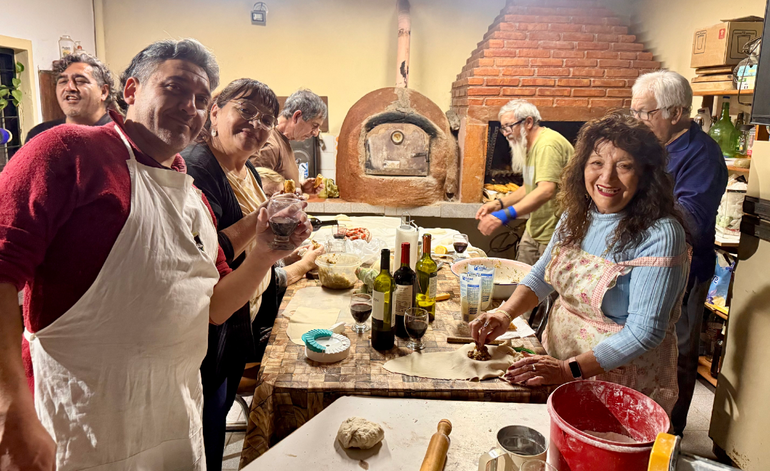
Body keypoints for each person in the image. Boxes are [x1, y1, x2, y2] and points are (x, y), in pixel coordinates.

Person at [0, 39, 310, 471]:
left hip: (173, 421)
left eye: (201, 99)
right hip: (79, 423)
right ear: (131, 90)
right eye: (175, 88)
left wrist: (266, 252)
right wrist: (9, 407)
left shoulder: (191, 194)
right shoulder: (69, 151)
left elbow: (216, 306)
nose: (190, 106)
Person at [471, 113, 689, 415]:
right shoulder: (578, 215)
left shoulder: (660, 234)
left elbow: (644, 333)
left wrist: (567, 370)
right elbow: (542, 276)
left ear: (646, 174)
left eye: (623, 166)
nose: (606, 178)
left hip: (620, 381)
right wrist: (504, 313)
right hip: (559, 361)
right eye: (597, 163)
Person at [180, 79, 321, 470]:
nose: (255, 124)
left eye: (265, 119)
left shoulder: (247, 171)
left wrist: (285, 233)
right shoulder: (197, 168)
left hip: (242, 316)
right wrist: (264, 219)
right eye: (245, 111)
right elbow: (209, 251)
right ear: (215, 111)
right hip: (210, 325)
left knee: (220, 409)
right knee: (206, 420)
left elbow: (262, 245)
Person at [631, 70, 728, 434]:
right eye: (635, 113)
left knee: (677, 353)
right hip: (643, 261)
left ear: (675, 112)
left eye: (645, 113)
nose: (639, 121)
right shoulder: (651, 147)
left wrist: (639, 205)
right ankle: (639, 423)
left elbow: (693, 221)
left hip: (685, 270)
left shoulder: (702, 156)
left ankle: (671, 435)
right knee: (643, 345)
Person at [475, 99, 573, 266]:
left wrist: (505, 216)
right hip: (536, 228)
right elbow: (528, 187)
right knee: (521, 278)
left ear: (528, 122)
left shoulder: (547, 145)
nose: (505, 133)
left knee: (547, 291)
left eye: (508, 126)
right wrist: (498, 204)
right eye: (502, 128)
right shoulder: (529, 145)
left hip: (555, 233)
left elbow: (545, 190)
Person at [25, 53, 115, 143]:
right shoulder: (39, 135)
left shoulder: (119, 135)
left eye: (80, 81)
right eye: (63, 81)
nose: (69, 87)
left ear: (103, 92)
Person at [249, 88, 326, 194]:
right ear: (297, 116)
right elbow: (257, 193)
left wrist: (302, 187)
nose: (315, 133)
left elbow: (277, 188)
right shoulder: (271, 145)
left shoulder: (283, 141)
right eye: (314, 126)